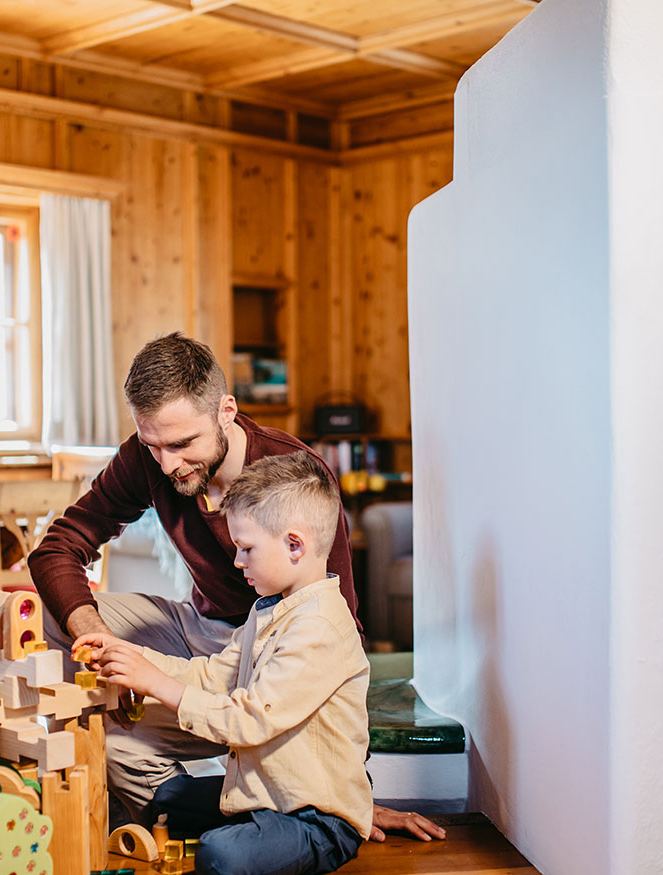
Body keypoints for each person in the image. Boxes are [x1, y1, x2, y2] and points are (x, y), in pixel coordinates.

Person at [30, 331, 444, 843]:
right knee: (46, 622)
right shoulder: (149, 457)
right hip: (198, 634)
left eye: (183, 444)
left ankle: (274, 812)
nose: (166, 465)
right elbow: (57, 547)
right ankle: (198, 813)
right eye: (151, 444)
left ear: (226, 411)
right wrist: (95, 635)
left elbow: (341, 633)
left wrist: (346, 792)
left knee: (126, 739)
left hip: (274, 650)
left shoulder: (293, 476)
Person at [74, 451, 371, 875]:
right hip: (264, 792)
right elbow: (215, 675)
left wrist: (157, 684)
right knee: (168, 804)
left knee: (220, 855)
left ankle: (254, 840)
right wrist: (138, 659)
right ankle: (243, 830)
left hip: (313, 815)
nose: (237, 562)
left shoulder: (319, 627)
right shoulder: (270, 608)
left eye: (246, 549)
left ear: (294, 545)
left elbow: (250, 719)